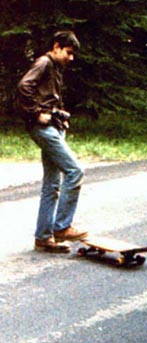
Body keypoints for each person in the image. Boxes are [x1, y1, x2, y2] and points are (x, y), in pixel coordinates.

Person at [17, 31, 88, 253]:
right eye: (68, 52)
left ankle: (43, 237)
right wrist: (36, 113)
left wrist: (59, 117)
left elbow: (47, 96)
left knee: (52, 184)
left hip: (53, 126)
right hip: (43, 127)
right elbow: (23, 87)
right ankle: (62, 227)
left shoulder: (55, 68)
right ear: (56, 46)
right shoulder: (44, 62)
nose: (71, 58)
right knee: (75, 171)